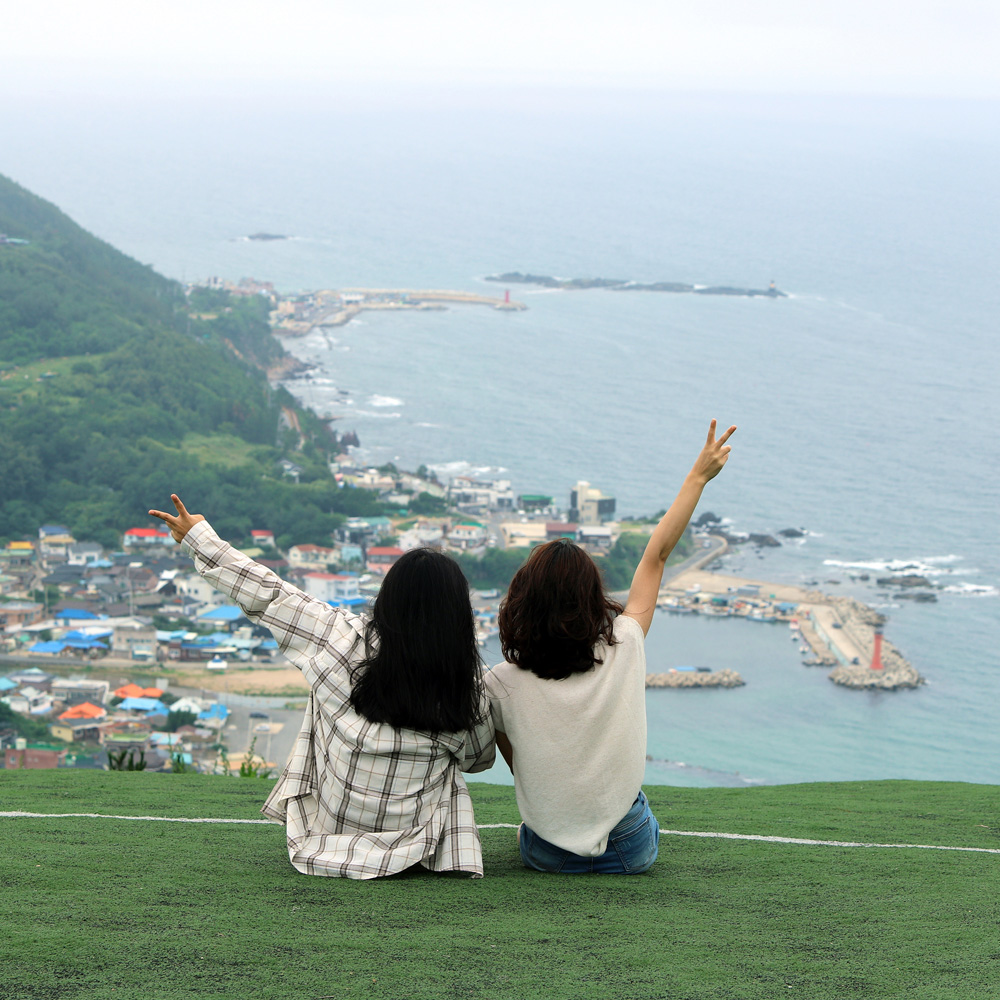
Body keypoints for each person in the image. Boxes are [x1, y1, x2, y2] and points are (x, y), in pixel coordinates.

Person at [148, 495, 495, 880]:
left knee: (322, 688)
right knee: (449, 769)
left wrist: (198, 536)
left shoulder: (337, 638)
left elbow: (269, 594)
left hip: (330, 830)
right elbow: (477, 760)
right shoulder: (470, 684)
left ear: (388, 598)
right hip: (416, 844)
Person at [487, 419, 736, 874]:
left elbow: (519, 764)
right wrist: (697, 477)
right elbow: (656, 556)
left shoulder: (498, 684)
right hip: (629, 849)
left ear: (522, 599)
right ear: (591, 597)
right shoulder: (625, 641)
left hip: (546, 853)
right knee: (636, 810)